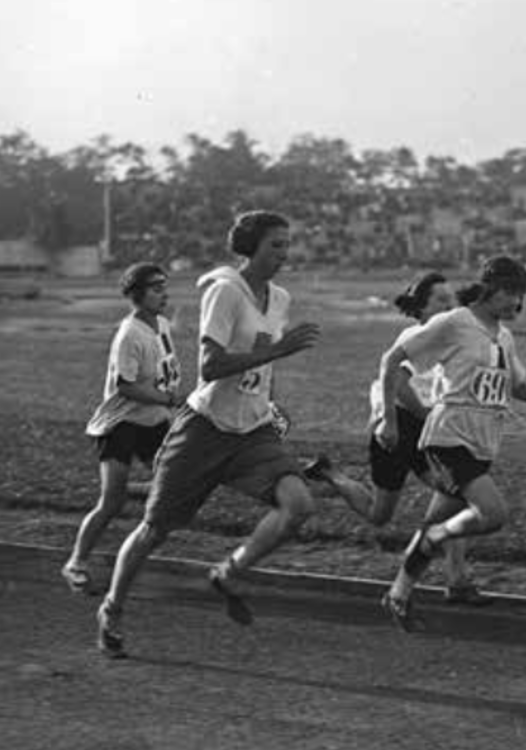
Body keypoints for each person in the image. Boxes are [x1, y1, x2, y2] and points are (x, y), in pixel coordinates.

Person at [95, 210, 321, 658]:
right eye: (276, 244)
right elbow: (211, 366)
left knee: (298, 505)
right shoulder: (224, 292)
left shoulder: (279, 298)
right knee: (153, 530)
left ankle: (228, 572)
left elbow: (263, 365)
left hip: (253, 430)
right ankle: (112, 608)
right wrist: (278, 349)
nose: (285, 252)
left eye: (287, 243)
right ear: (252, 247)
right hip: (204, 430)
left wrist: (269, 404)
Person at [376, 255, 526, 632]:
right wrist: (388, 418)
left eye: (522, 296)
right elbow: (393, 359)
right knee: (493, 513)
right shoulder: (456, 322)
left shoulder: (504, 335)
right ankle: (436, 543)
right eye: (512, 294)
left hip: (482, 443)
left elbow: (516, 387)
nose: (518, 304)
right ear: (490, 289)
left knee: (434, 524)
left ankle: (398, 594)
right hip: (449, 436)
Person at [304, 272, 492, 605]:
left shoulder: (449, 338)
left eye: (452, 302)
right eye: (441, 301)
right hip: (399, 423)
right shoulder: (417, 334)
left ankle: (329, 473)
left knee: (397, 508)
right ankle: (453, 579)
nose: (450, 307)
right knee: (440, 496)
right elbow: (400, 386)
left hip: (415, 425)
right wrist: (410, 419)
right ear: (421, 307)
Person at [60, 262, 184, 592]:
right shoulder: (129, 334)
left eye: (164, 286)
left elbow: (164, 371)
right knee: (110, 505)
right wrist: (167, 399)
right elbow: (126, 386)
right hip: (120, 424)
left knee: (174, 484)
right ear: (137, 294)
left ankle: (129, 490)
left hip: (153, 421)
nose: (164, 293)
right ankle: (75, 564)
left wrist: (168, 401)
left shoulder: (162, 324)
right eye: (156, 288)